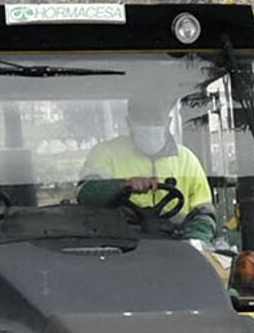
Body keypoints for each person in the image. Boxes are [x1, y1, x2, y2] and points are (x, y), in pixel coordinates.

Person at [76, 96, 219, 241]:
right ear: (129, 122)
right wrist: (123, 185)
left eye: (156, 121)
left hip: (175, 246)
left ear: (168, 122)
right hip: (118, 245)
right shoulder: (106, 154)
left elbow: (204, 214)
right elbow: (86, 193)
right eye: (143, 120)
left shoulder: (187, 160)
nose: (150, 126)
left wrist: (193, 243)